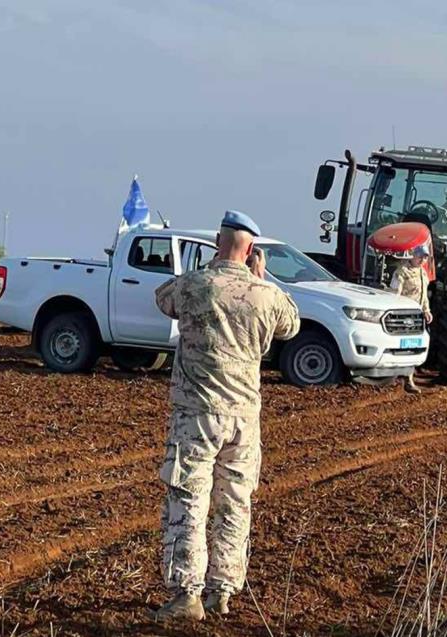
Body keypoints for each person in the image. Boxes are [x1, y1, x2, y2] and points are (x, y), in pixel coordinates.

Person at [152, 210, 300, 622]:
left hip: (197, 415)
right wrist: (261, 280)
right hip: (244, 420)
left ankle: (186, 594)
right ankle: (223, 590)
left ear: (218, 240)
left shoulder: (196, 285)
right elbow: (290, 325)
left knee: (189, 498)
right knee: (234, 503)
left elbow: (163, 298)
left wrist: (209, 270)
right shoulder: (266, 295)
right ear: (252, 249)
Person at [389, 244, 433, 393]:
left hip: (417, 316)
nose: (422, 260)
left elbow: (424, 295)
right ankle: (393, 379)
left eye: (425, 257)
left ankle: (409, 380)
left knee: (413, 347)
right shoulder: (402, 272)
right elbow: (394, 294)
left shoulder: (423, 273)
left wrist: (427, 310)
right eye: (420, 256)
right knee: (400, 346)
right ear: (413, 256)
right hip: (404, 315)